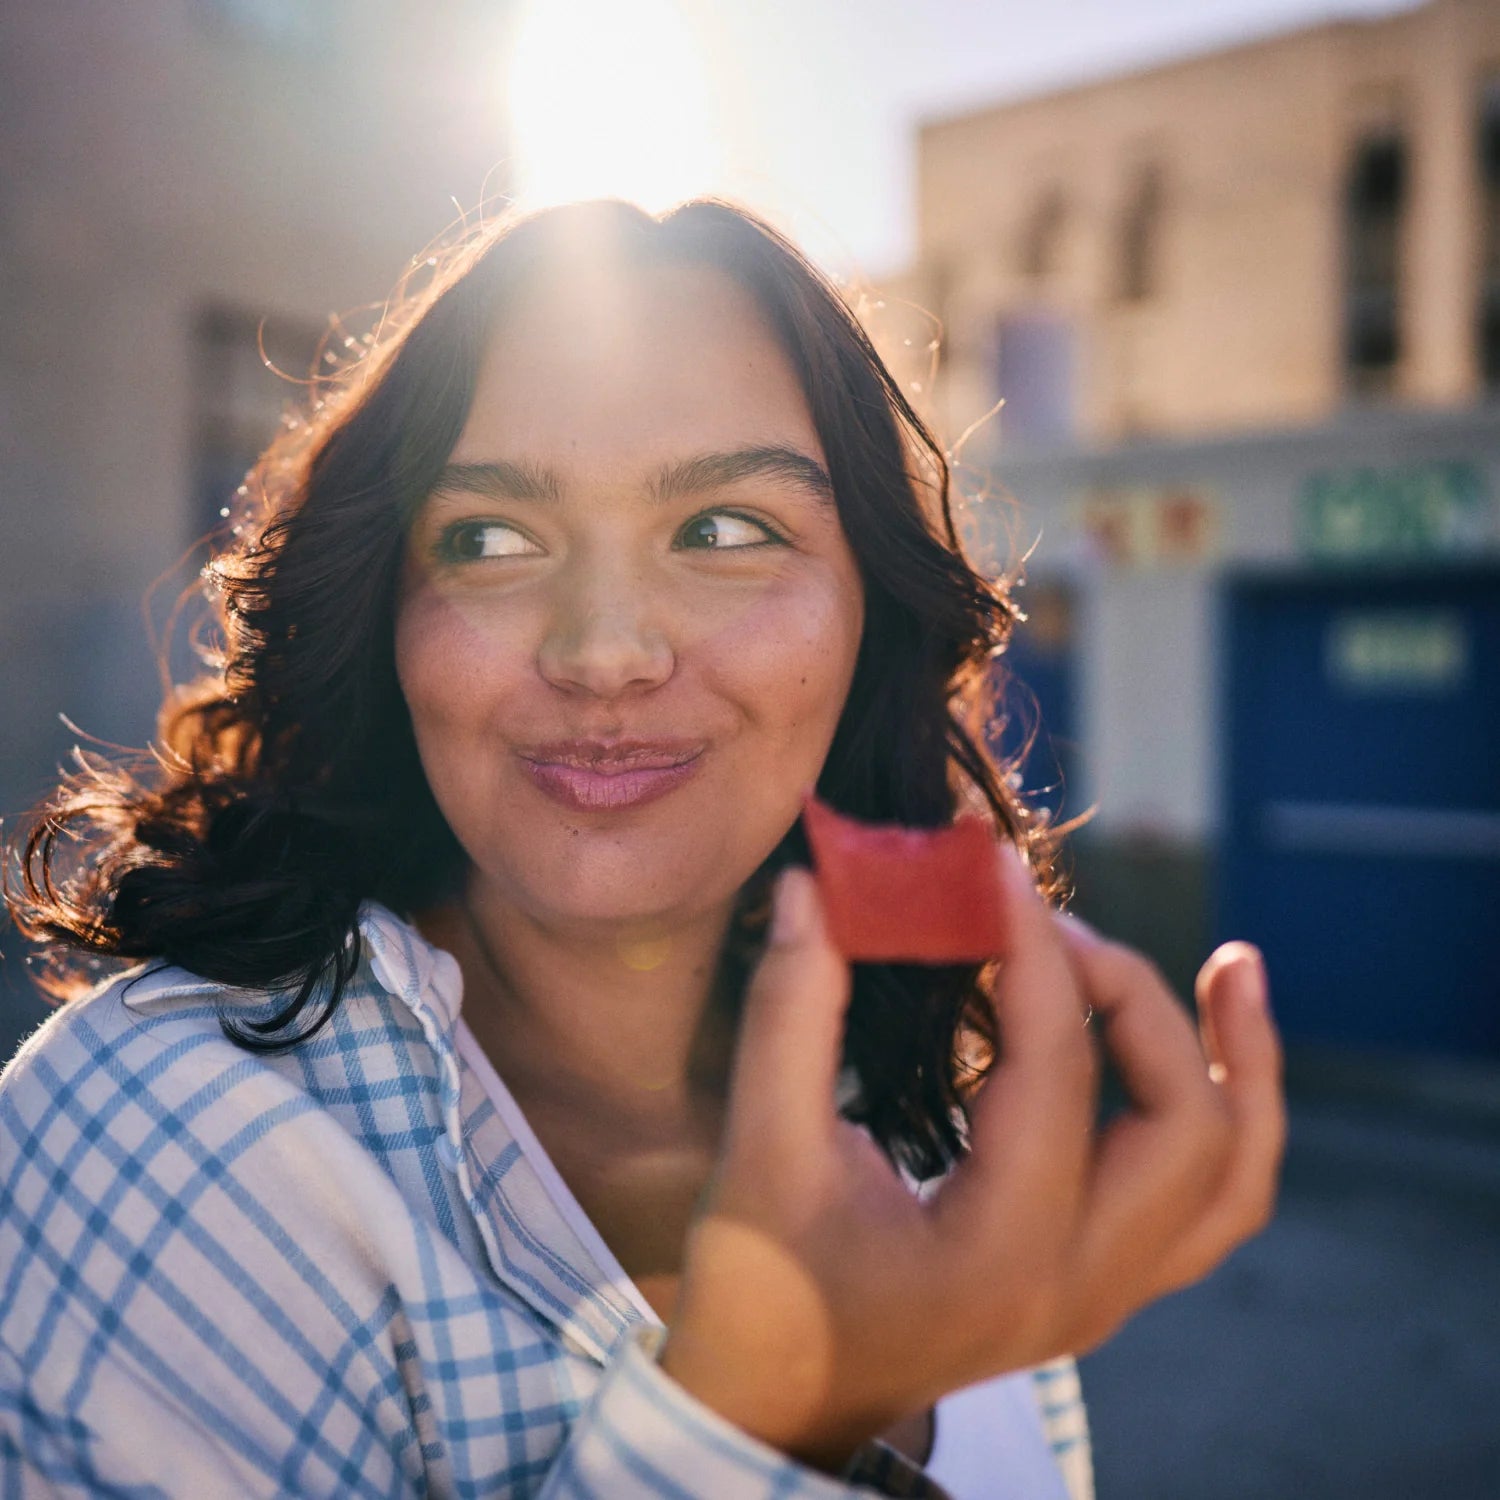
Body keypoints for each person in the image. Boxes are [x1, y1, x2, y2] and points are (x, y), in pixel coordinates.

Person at [0, 198, 1284, 1498]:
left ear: (868, 619)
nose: (605, 651)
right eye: (490, 539)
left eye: (725, 530)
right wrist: (776, 1418)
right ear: (386, 609)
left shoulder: (926, 1118)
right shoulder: (164, 1127)